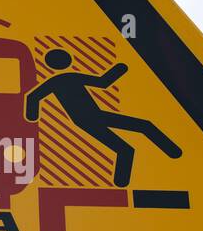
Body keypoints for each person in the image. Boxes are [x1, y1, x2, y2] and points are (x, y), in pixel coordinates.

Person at [24, 48, 181, 187]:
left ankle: (125, 181)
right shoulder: (67, 78)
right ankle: (172, 154)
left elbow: (33, 97)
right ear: (66, 61)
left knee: (127, 146)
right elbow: (103, 82)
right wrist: (120, 69)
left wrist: (32, 116)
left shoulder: (58, 80)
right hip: (91, 117)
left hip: (88, 118)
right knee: (140, 130)